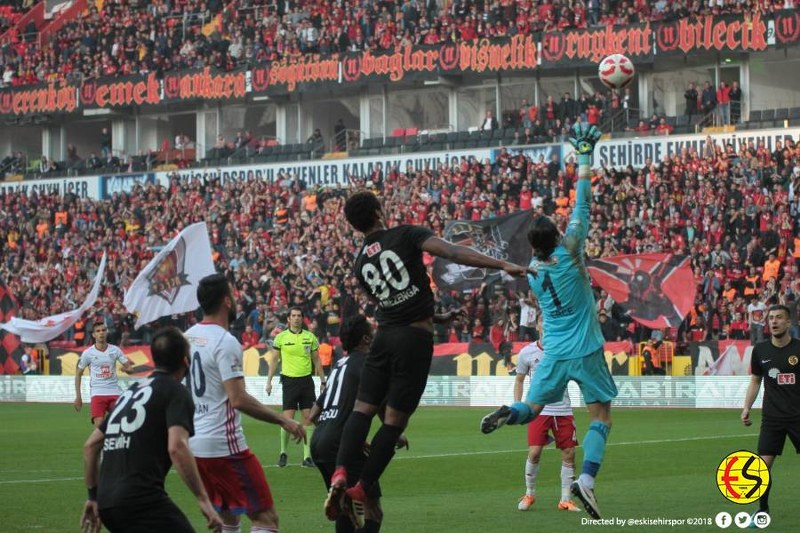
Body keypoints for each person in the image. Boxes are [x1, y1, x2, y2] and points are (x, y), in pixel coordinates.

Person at [326, 190, 528, 528]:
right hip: (413, 341)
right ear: (378, 211)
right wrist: (501, 264)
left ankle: (341, 471)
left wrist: (438, 316)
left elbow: (394, 300)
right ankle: (360, 490)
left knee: (362, 410)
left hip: (383, 338)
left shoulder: (360, 264)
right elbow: (451, 251)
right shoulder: (406, 233)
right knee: (393, 422)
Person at [480, 123, 617, 520]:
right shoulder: (570, 250)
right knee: (602, 417)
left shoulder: (533, 271)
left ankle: (509, 411)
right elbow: (584, 205)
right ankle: (587, 483)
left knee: (532, 405)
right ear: (557, 236)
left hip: (553, 352)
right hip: (586, 348)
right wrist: (586, 156)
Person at [186, 273, 306, 533]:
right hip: (224, 445)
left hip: (195, 445)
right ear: (226, 301)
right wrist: (284, 419)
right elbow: (238, 399)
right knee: (266, 520)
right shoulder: (225, 341)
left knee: (228, 518)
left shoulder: (187, 337)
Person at [79, 326, 224, 533]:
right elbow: (177, 447)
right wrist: (203, 499)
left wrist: (93, 497)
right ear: (185, 360)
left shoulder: (130, 393)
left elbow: (91, 446)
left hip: (106, 503)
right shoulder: (176, 392)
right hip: (141, 500)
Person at [309, 315, 409, 533]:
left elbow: (314, 413)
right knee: (373, 509)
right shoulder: (368, 364)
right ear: (365, 339)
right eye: (371, 333)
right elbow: (379, 401)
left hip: (319, 442)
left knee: (344, 508)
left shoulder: (338, 365)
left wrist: (348, 435)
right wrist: (394, 433)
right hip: (340, 443)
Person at [514, 316, 581, 513]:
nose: (546, 325)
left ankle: (565, 500)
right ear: (537, 326)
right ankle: (529, 493)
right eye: (543, 321)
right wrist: (518, 406)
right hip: (537, 410)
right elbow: (518, 380)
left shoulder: (564, 349)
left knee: (569, 454)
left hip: (563, 409)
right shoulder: (527, 352)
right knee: (534, 452)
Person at [741, 305, 800, 525]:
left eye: (779, 318)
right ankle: (762, 511)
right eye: (771, 318)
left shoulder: (798, 349)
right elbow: (755, 380)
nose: (774, 321)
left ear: (788, 323)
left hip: (798, 416)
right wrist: (747, 407)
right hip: (772, 418)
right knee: (761, 467)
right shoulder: (760, 350)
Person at [266, 306, 324, 468]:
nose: (297, 318)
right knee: (288, 418)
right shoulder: (281, 338)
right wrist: (269, 381)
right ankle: (283, 453)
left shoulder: (310, 337)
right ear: (288, 319)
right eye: (294, 316)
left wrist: (323, 381)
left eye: (299, 315)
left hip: (306, 381)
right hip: (289, 381)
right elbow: (274, 360)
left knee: (308, 419)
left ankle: (307, 457)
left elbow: (317, 360)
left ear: (302, 318)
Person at [74, 322, 135, 427]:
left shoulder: (115, 350)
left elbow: (131, 369)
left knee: (120, 424)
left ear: (107, 332)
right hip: (97, 393)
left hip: (114, 392)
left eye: (103, 330)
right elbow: (78, 374)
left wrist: (126, 369)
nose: (101, 333)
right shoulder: (88, 353)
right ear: (93, 335)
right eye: (98, 331)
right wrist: (78, 397)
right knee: (99, 426)